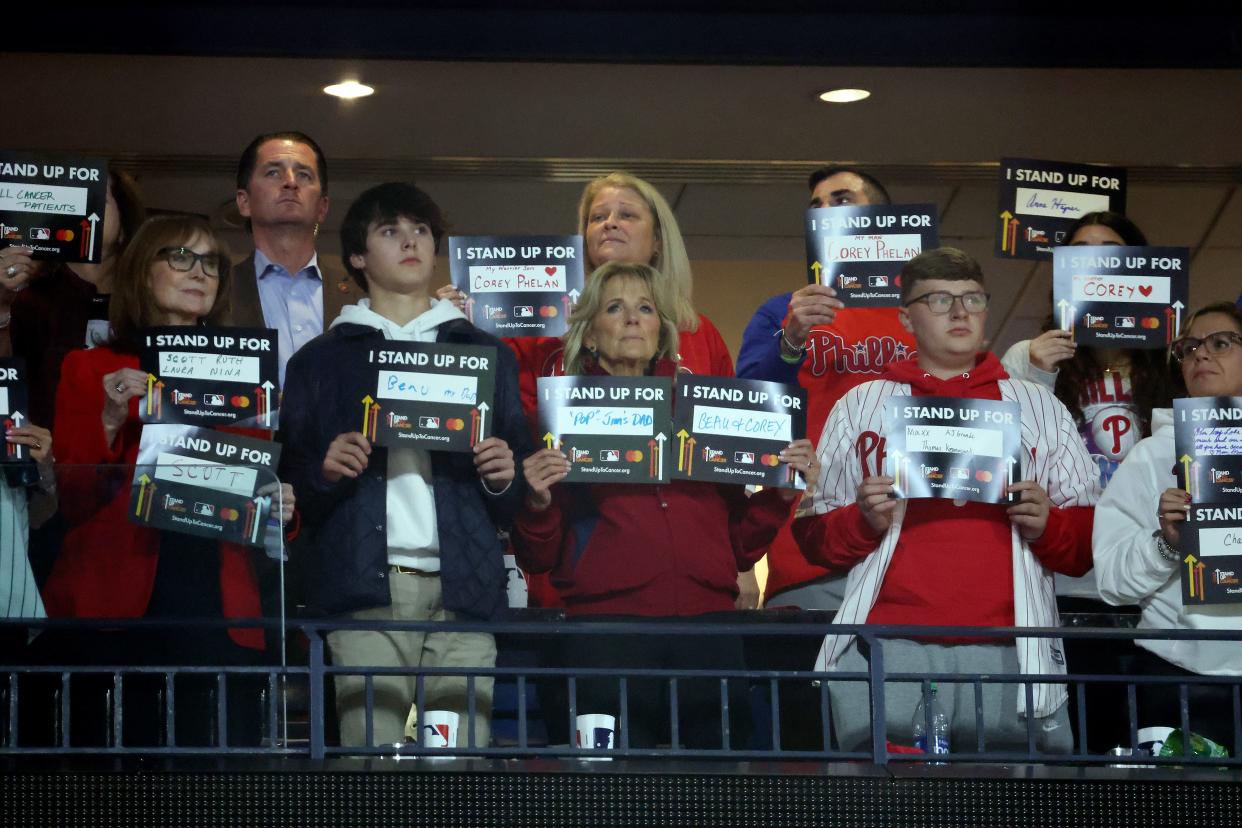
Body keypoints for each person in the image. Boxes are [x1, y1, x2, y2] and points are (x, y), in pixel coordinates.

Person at [793, 247, 1099, 754]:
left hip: (1014, 648)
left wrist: (1049, 525)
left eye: (972, 299)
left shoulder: (1038, 406)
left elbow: (1086, 545)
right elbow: (813, 537)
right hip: (887, 644)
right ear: (904, 317)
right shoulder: (862, 402)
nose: (960, 312)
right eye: (939, 300)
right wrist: (864, 521)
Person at [512, 261, 819, 749]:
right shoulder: (554, 420)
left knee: (717, 795)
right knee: (607, 798)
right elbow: (539, 557)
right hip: (606, 636)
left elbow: (739, 547)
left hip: (708, 633)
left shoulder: (706, 412)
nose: (633, 318)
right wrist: (539, 501)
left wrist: (778, 496)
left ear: (661, 330)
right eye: (615, 307)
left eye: (645, 308)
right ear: (590, 334)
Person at [279, 182, 531, 750]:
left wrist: (504, 476)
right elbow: (287, 487)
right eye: (389, 231)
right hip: (362, 587)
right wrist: (322, 472)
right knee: (370, 764)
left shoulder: (485, 353)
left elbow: (518, 487)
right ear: (359, 257)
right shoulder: (320, 361)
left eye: (420, 230)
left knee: (462, 765)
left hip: (465, 588)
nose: (410, 240)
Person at [42, 214, 295, 746]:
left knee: (218, 789)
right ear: (141, 271)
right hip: (116, 608)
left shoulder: (247, 374)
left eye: (210, 263)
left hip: (219, 605)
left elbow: (259, 494)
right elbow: (75, 499)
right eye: (180, 256)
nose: (198, 271)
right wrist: (110, 420)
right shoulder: (91, 369)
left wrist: (278, 506)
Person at [1000, 210, 1175, 751]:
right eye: (1080, 251)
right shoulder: (1026, 358)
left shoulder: (1174, 363)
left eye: (1110, 251)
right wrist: (1033, 370)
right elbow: (1008, 448)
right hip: (1071, 580)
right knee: (1085, 743)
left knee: (1152, 741)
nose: (1095, 263)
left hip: (1155, 579)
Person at [737, 166, 916, 613]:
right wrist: (793, 337)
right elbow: (750, 413)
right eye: (815, 205)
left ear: (882, 220)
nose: (824, 212)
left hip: (914, 545)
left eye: (841, 200)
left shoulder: (925, 312)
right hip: (809, 547)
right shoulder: (783, 311)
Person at [1094, 301, 1242, 753]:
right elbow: (1111, 582)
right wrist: (1166, 544)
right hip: (1176, 680)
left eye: (1221, 343)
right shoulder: (1152, 456)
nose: (1200, 355)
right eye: (1189, 347)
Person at [7, 166, 146, 426]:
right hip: (47, 457)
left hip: (134, 457)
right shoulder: (29, 298)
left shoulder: (149, 297)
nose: (80, 209)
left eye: (96, 200)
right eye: (69, 201)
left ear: (124, 223)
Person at [231, 131, 364, 385]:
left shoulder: (362, 296)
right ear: (244, 201)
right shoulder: (215, 293)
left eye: (304, 175)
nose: (291, 183)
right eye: (273, 172)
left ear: (323, 207)